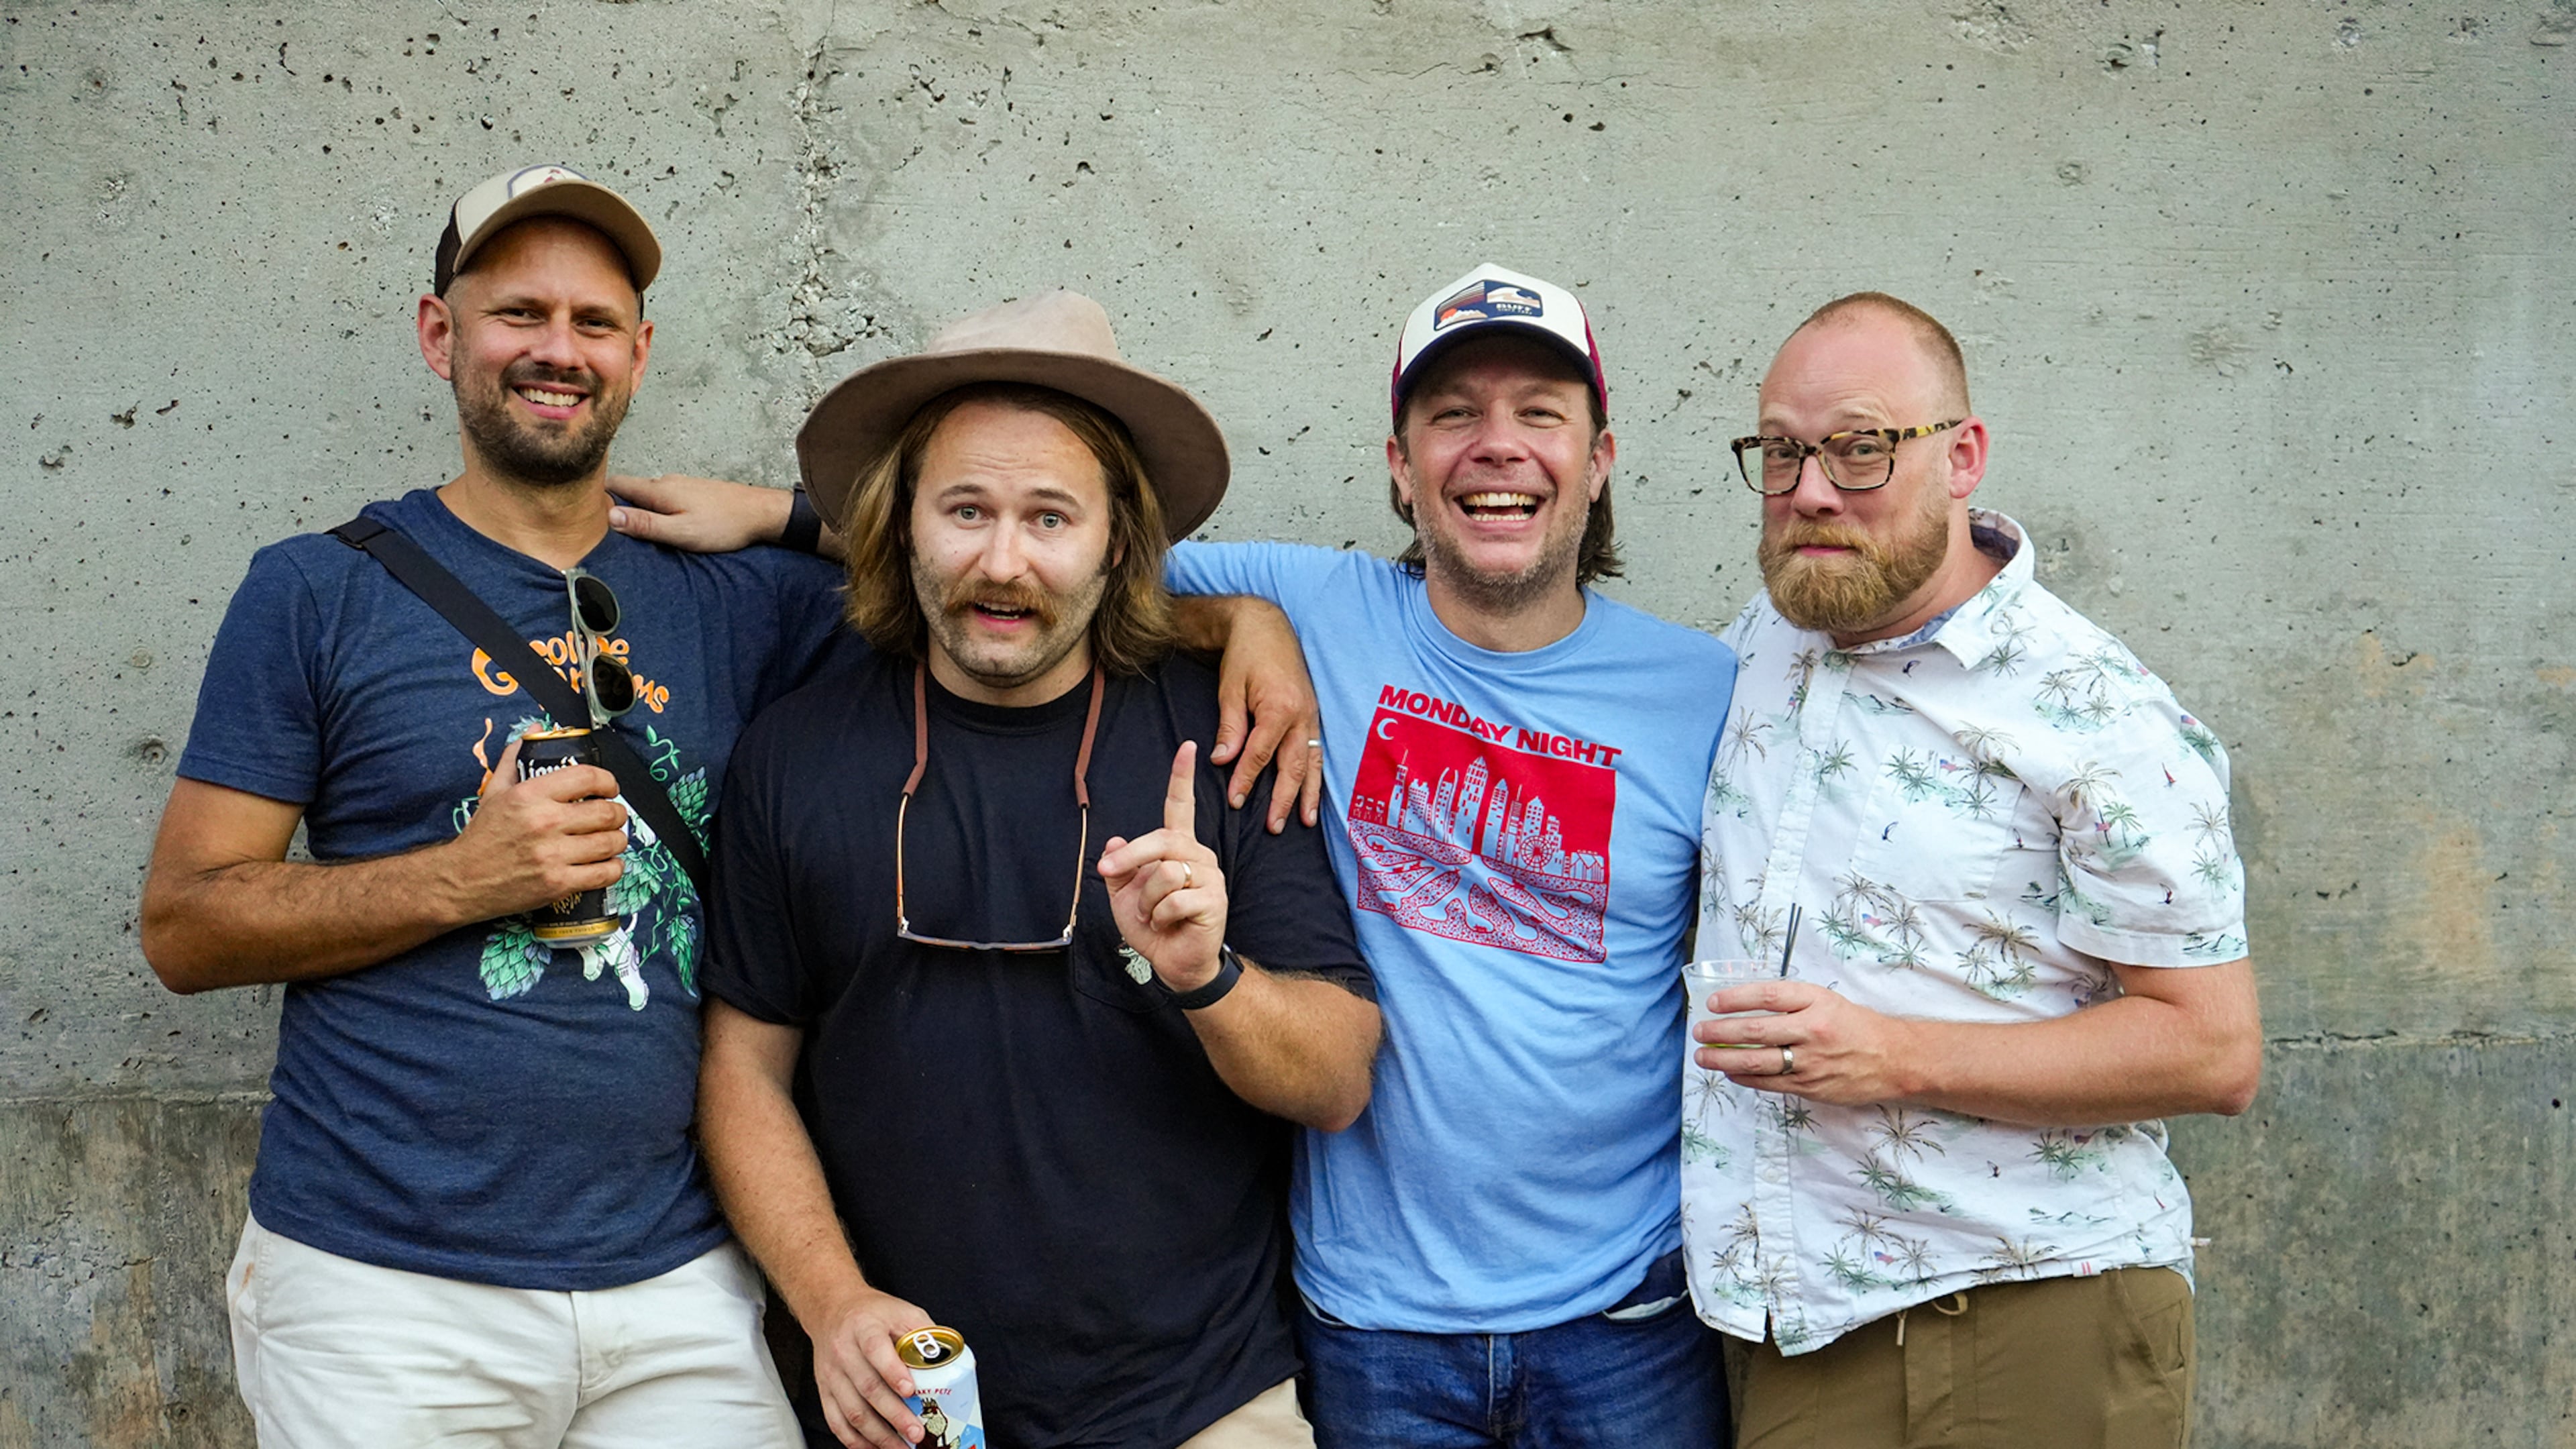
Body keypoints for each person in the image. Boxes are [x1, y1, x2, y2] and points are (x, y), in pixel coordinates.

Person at [136, 164, 837, 1444]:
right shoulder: (313, 593)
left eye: (594, 321)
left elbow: (1002, 575)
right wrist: (465, 876)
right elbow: (186, 928)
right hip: (381, 1293)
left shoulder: (745, 598)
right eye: (518, 313)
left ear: (638, 352)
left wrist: (786, 514)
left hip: (677, 1281)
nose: (556, 351)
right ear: (439, 333)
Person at [692, 289, 1383, 1449]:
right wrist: (834, 1306)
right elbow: (741, 1073)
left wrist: (1210, 977)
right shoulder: (794, 755)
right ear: (899, 520)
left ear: (1120, 544)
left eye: (1051, 518)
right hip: (900, 1409)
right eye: (965, 509)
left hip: (1199, 1407)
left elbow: (1337, 1082)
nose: (1002, 562)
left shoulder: (1227, 736)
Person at [1160, 265, 1738, 1448]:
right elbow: (1046, 572)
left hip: (1628, 1312)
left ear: (1601, 456)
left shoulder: (1709, 694)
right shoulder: (1319, 605)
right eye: (1454, 415)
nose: (1497, 446)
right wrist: (1243, 621)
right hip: (1376, 1326)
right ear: (1398, 463)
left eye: (1540, 413)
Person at [1686, 292, 2262, 1448]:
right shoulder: (1762, 643)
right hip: (1789, 1325)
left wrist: (1895, 1054)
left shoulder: (2098, 713)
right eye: (1784, 452)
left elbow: (2214, 1049)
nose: (1811, 490)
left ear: (1963, 457)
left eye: (1860, 448)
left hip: (2022, 1310)